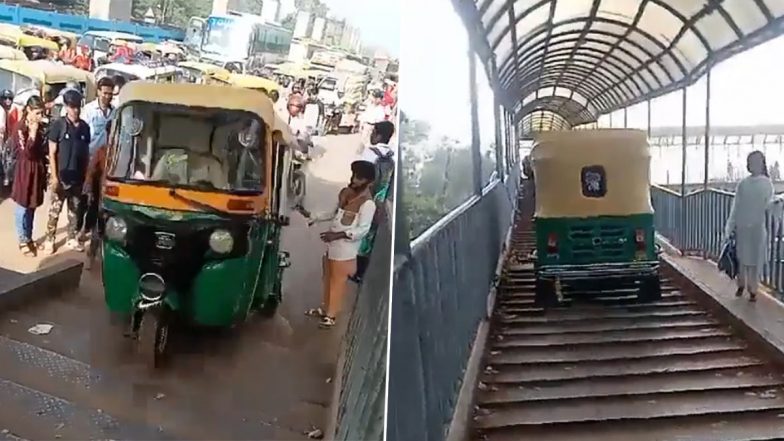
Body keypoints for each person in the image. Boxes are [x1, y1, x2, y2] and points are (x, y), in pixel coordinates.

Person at [299, 161, 377, 328]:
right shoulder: (346, 194)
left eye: (359, 178)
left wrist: (338, 235)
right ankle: (325, 309)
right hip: (332, 247)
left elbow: (362, 230)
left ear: (369, 182)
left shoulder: (368, 204)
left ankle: (331, 316)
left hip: (345, 252)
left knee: (337, 282)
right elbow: (333, 213)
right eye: (354, 175)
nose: (354, 180)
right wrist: (312, 216)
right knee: (328, 279)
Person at [724, 151, 781, 302]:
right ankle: (747, 286)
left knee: (749, 258)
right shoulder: (756, 184)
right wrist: (731, 225)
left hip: (753, 225)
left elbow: (767, 204)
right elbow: (737, 206)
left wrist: (730, 226)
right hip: (750, 225)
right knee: (748, 258)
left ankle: (748, 287)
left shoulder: (751, 184)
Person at [41, 89, 90, 254]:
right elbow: (52, 152)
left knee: (74, 211)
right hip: (61, 177)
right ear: (67, 107)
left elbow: (86, 154)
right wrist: (54, 177)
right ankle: (49, 239)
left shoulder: (84, 128)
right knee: (55, 211)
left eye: (77, 107)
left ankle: (71, 238)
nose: (75, 110)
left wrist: (86, 177)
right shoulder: (59, 125)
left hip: (77, 177)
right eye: (72, 107)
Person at [352, 121, 396, 283]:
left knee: (357, 231)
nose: (371, 135)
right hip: (381, 200)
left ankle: (354, 270)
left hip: (366, 197)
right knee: (369, 236)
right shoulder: (392, 156)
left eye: (373, 132)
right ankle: (361, 273)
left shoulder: (370, 153)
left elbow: (361, 176)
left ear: (379, 135)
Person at [9, 96, 47, 256]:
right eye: (37, 113)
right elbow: (27, 153)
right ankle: (22, 239)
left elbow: (42, 150)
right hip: (25, 170)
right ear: (29, 111)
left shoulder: (40, 127)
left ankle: (29, 237)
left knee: (32, 206)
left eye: (41, 113)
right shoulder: (19, 128)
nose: (40, 116)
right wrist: (32, 133)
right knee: (22, 206)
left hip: (36, 171)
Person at [78, 76, 115, 241]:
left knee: (101, 199)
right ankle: (81, 228)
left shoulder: (115, 112)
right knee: (86, 197)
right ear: (98, 92)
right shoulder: (88, 110)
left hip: (106, 161)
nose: (107, 96)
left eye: (110, 93)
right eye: (105, 92)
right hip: (90, 158)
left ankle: (96, 230)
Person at [83, 120, 111, 269]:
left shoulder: (127, 153)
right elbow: (91, 170)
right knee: (98, 229)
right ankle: (91, 256)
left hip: (118, 199)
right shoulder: (102, 151)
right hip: (102, 197)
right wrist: (88, 185)